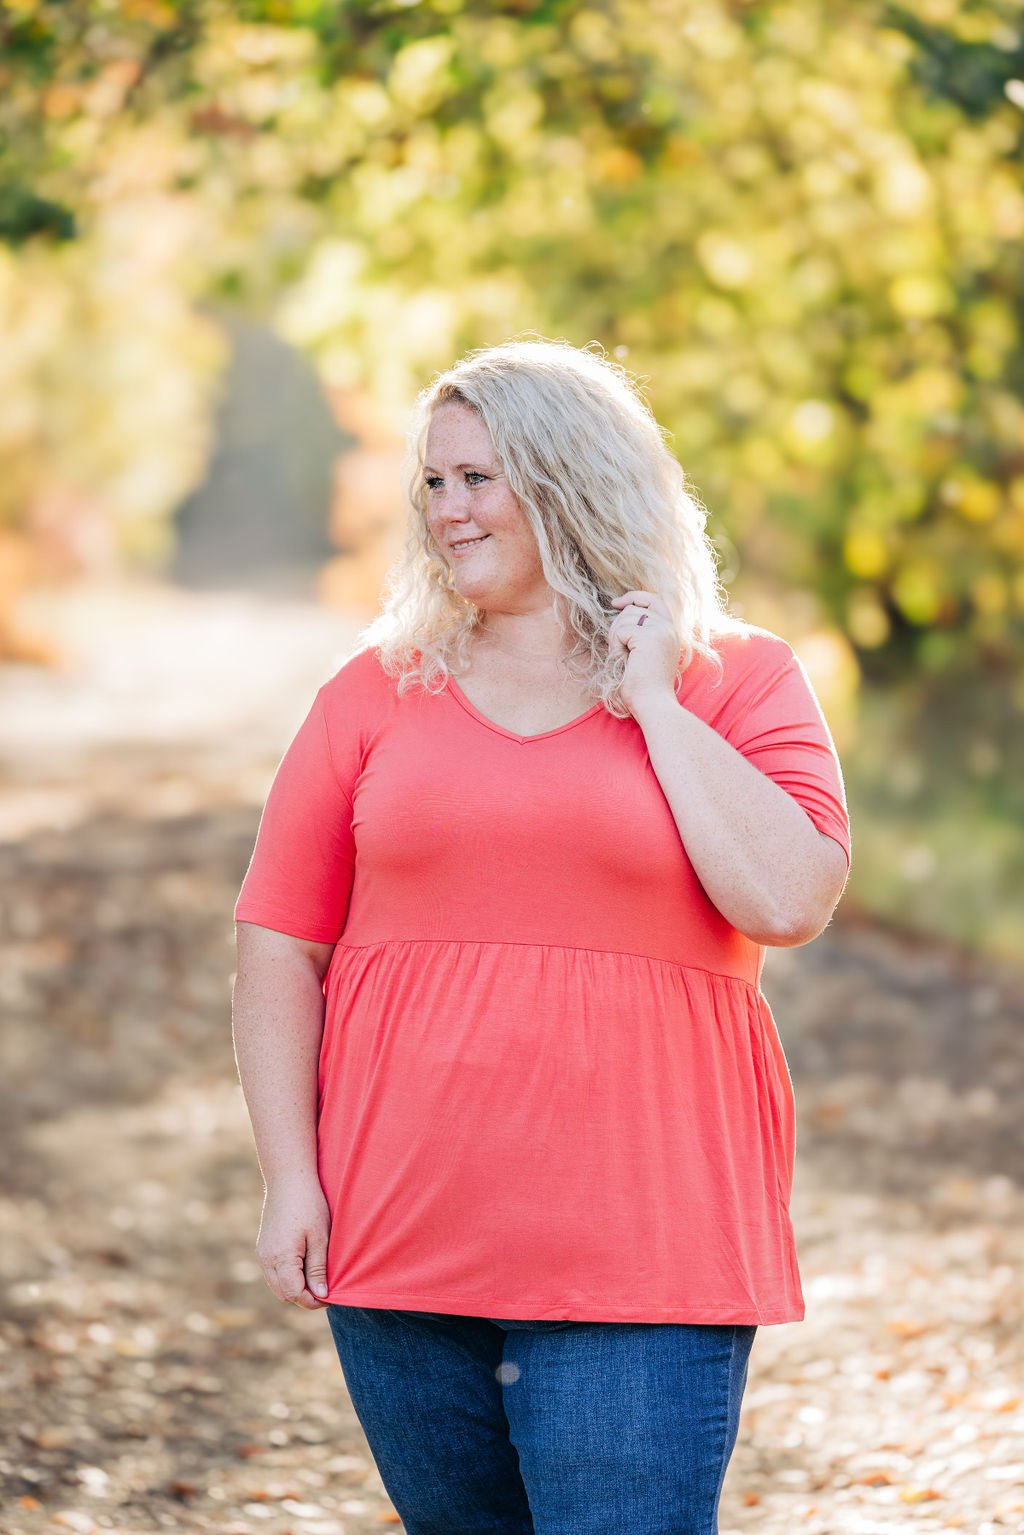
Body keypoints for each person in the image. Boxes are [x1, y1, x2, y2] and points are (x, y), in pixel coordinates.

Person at [231, 337, 852, 1534]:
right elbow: (277, 943)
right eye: (433, 481)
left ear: (572, 476)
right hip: (401, 1237)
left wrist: (655, 696)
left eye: (480, 478)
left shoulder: (741, 681)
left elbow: (788, 900)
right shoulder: (374, 689)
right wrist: (291, 1177)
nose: (447, 511)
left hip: (643, 1251)